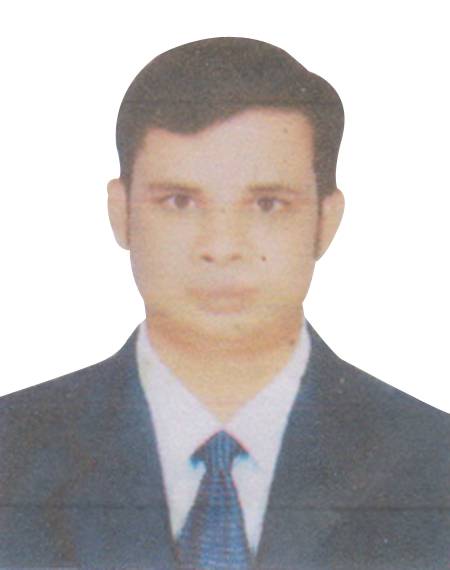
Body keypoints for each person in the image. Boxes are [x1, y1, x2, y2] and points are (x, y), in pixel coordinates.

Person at [0, 37, 448, 570]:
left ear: (326, 221)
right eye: (179, 201)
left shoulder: (434, 463)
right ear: (121, 213)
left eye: (267, 204)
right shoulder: (11, 452)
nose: (221, 247)